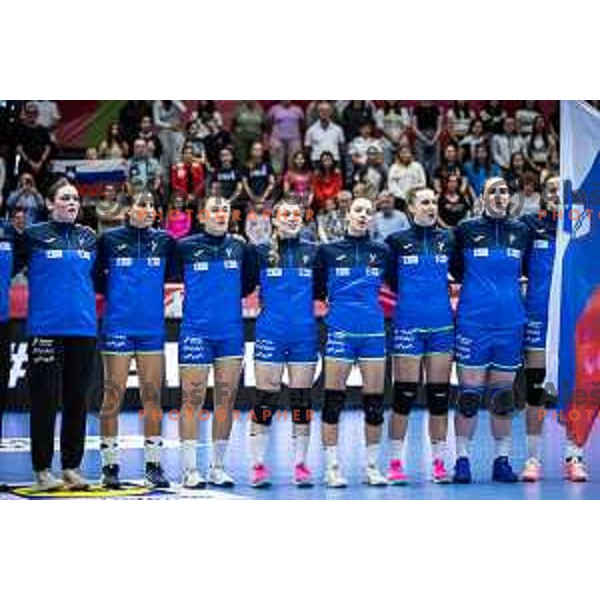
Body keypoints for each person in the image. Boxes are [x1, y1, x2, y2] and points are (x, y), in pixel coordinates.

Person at [450, 176, 530, 483]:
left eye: (504, 191)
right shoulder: (466, 230)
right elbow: (456, 270)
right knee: (469, 396)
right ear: (482, 197)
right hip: (473, 323)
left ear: (509, 197)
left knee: (502, 397)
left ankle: (502, 460)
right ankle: (462, 460)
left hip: (510, 324)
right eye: (492, 191)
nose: (499, 195)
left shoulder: (520, 232)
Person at [173, 196, 257, 488]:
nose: (221, 214)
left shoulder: (240, 247)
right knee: (192, 400)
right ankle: (189, 469)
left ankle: (217, 467)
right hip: (196, 332)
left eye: (225, 209)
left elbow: (247, 286)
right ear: (201, 216)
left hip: (231, 333)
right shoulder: (185, 247)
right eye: (214, 210)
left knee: (226, 401)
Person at [20, 179, 97, 491]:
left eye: (76, 199)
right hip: (45, 330)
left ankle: (71, 468)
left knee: (77, 401)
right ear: (50, 204)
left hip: (83, 328)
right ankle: (41, 470)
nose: (72, 203)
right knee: (44, 401)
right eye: (65, 198)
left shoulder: (90, 238)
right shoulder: (33, 236)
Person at [95, 191, 175, 489]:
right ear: (129, 210)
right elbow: (97, 278)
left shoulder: (165, 241)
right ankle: (110, 466)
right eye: (143, 204)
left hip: (152, 329)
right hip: (117, 326)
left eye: (153, 205)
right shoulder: (110, 240)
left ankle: (154, 465)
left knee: (152, 397)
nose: (149, 209)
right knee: (112, 396)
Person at [314, 196, 391, 487]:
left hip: (373, 331)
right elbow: (318, 289)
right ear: (347, 215)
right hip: (340, 331)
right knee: (333, 401)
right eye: (358, 210)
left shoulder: (382, 251)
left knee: (374, 403)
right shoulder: (328, 251)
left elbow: (393, 281)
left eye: (368, 212)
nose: (363, 215)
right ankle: (332, 467)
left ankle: (372, 467)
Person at [247, 197, 319, 487]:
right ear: (274, 220)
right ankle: (257, 465)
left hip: (304, 334)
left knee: (302, 400)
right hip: (270, 334)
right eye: (285, 214)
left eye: (296, 214)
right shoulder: (260, 252)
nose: (291, 218)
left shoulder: (314, 252)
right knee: (265, 399)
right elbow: (245, 286)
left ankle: (301, 464)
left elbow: (323, 289)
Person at [385, 187, 454, 483]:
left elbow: (459, 273)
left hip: (441, 326)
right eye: (425, 202)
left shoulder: (448, 239)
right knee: (404, 396)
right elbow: (390, 280)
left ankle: (439, 462)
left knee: (439, 398)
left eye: (434, 202)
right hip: (408, 326)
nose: (431, 206)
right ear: (411, 207)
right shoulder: (396, 242)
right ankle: (395, 462)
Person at [519, 175, 559, 482]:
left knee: (572, 389)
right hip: (537, 314)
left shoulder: (582, 223)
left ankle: (574, 455)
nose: (557, 194)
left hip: (571, 314)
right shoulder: (531, 225)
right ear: (543, 195)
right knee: (535, 389)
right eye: (551, 190)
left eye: (562, 189)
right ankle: (532, 459)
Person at [15, 102, 52, 188]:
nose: (31, 115)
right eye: (29, 113)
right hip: (26, 165)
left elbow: (48, 147)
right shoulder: (20, 129)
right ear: (26, 114)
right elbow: (19, 148)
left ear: (37, 114)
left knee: (42, 189)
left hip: (41, 166)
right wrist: (31, 163)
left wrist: (41, 162)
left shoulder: (43, 129)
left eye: (34, 112)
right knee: (25, 190)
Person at [267, 101, 305, 175]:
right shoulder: (274, 109)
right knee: (276, 164)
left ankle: (294, 181)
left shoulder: (298, 110)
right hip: (277, 139)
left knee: (295, 161)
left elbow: (303, 125)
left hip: (294, 139)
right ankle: (276, 182)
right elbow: (268, 124)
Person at [152, 101, 187, 170]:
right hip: (164, 131)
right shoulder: (157, 104)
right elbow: (156, 122)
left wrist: (174, 100)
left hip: (177, 130)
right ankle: (165, 178)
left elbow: (184, 111)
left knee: (177, 156)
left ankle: (178, 177)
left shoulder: (176, 102)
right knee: (166, 155)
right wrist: (170, 126)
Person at [242, 141, 276, 212]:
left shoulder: (267, 165)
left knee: (266, 221)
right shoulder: (246, 166)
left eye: (259, 149)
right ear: (251, 151)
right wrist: (253, 198)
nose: (257, 152)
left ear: (262, 152)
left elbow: (272, 183)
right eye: (255, 149)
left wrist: (263, 198)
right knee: (251, 221)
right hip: (251, 200)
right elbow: (245, 184)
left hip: (267, 199)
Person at [412, 101, 442, 177]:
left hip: (434, 136)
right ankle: (422, 181)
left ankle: (433, 181)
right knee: (420, 162)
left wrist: (434, 139)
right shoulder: (416, 109)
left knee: (436, 162)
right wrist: (425, 139)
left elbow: (439, 127)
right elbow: (414, 128)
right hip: (420, 136)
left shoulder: (436, 109)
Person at [232, 101, 266, 165]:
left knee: (255, 157)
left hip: (256, 138)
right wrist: (234, 138)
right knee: (241, 159)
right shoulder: (239, 109)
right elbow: (233, 125)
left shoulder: (260, 110)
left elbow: (263, 126)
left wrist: (263, 139)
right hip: (241, 140)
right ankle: (242, 173)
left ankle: (255, 172)